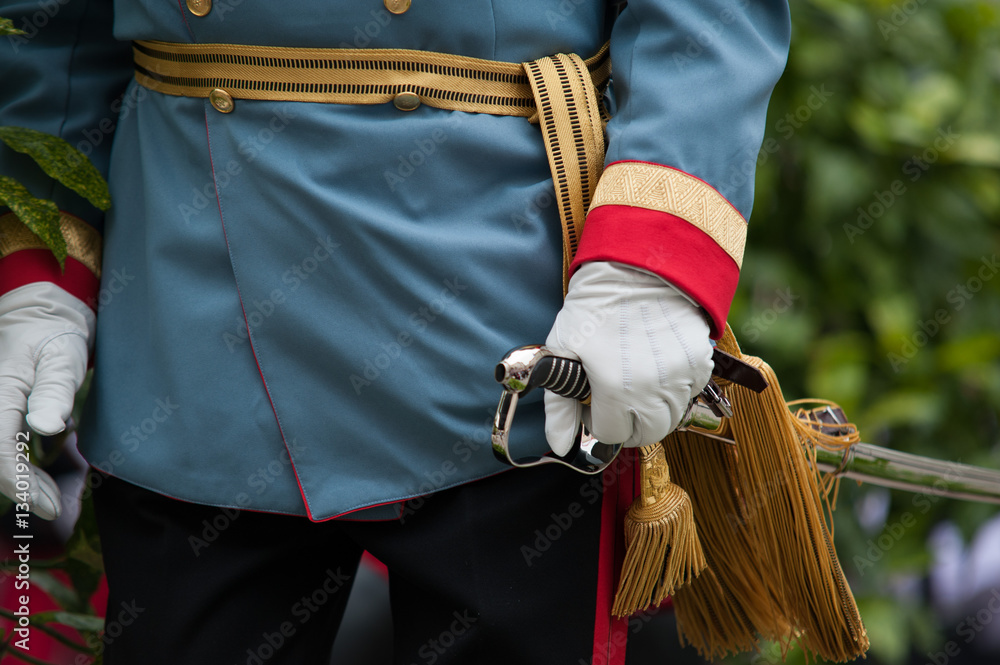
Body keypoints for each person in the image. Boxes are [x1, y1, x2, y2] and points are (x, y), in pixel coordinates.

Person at [0, 1, 790, 663]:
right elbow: (51, 23)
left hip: (508, 312)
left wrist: (646, 264)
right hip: (190, 301)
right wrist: (39, 262)